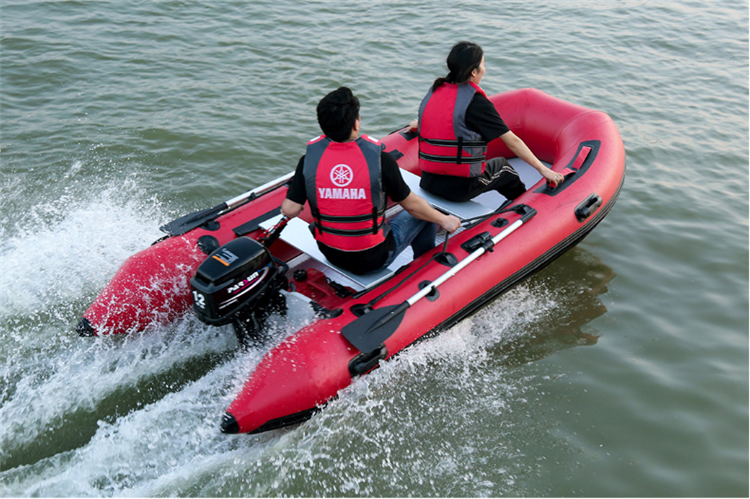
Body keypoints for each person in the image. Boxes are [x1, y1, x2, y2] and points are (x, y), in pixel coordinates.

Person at [281, 87, 461, 275]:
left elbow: (290, 209)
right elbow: (412, 205)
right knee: (425, 212)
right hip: (373, 259)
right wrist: (444, 220)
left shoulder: (308, 161)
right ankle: (427, 266)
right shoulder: (380, 160)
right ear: (356, 124)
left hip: (331, 254)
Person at [410, 41, 564, 203]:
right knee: (503, 168)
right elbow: (512, 141)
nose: (485, 69)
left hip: (428, 181)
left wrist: (418, 123)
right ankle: (524, 209)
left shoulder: (437, 89)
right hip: (459, 188)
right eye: (483, 65)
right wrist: (543, 170)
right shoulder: (475, 103)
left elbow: (444, 119)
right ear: (474, 72)